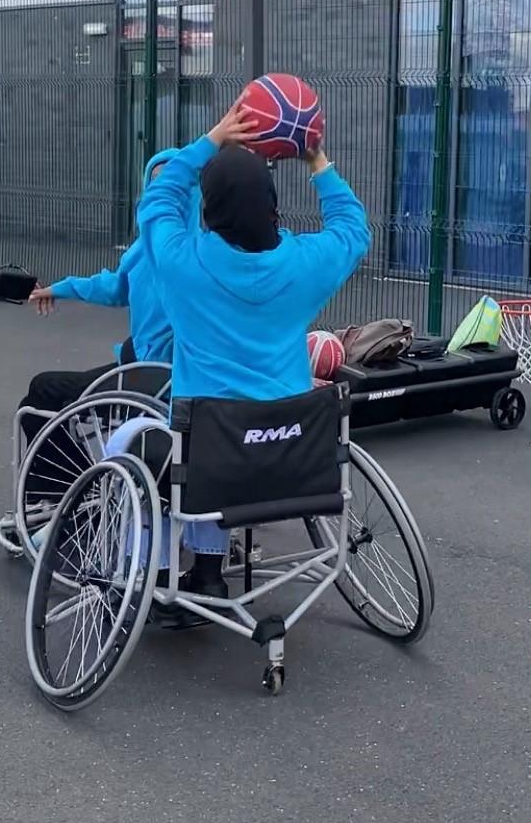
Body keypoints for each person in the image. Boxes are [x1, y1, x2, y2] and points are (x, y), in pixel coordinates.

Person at [135, 95, 370, 605]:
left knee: (139, 444)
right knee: (216, 438)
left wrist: (214, 138)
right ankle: (209, 573)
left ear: (208, 208)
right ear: (271, 204)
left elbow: (157, 202)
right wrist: (317, 161)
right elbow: (353, 230)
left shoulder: (182, 264)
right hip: (295, 460)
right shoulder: (305, 264)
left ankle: (162, 572)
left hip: (212, 457)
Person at [15, 150, 198, 503]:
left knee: (43, 393)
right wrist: (60, 288)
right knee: (37, 397)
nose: (161, 194)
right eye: (155, 185)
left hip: (160, 383)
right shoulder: (143, 252)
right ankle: (66, 492)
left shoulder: (190, 256)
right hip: (137, 366)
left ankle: (69, 498)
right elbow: (114, 287)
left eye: (173, 186)